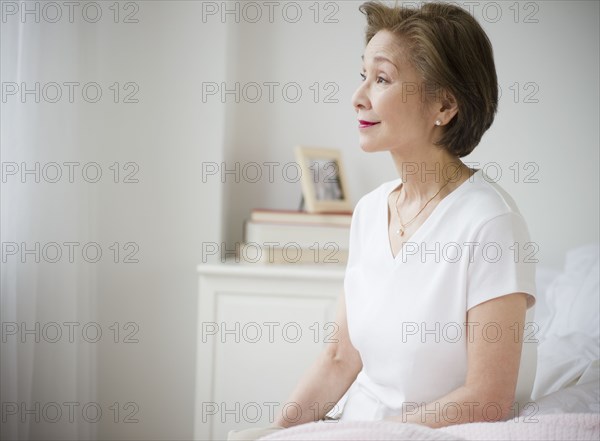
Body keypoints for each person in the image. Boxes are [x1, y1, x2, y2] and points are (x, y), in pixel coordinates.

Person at [228, 1, 536, 439]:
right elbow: (340, 358)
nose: (358, 96)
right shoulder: (371, 211)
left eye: (382, 78)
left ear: (445, 105)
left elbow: (487, 396)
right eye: (363, 75)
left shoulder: (491, 224)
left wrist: (372, 434)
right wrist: (276, 432)